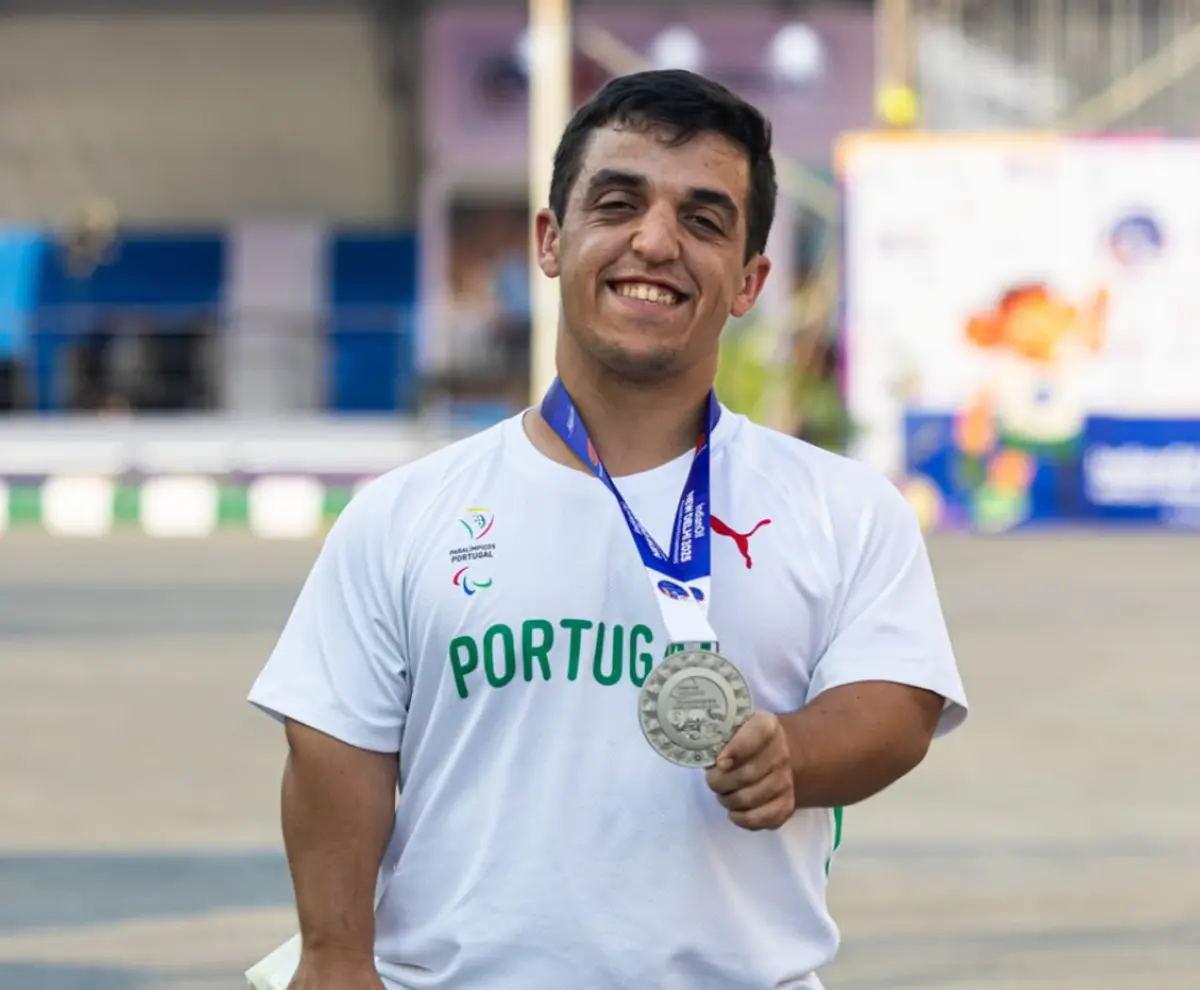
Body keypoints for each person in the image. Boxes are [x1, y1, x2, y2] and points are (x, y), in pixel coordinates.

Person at [247, 69, 968, 990]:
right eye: (618, 203)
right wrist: (334, 954)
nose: (656, 242)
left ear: (749, 280)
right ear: (552, 240)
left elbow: (898, 706)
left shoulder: (843, 506)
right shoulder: (403, 512)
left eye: (704, 221)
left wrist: (797, 750)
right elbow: (336, 745)